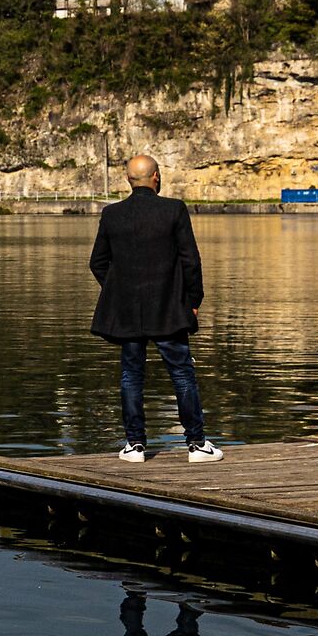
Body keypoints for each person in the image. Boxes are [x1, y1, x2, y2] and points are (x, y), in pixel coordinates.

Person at [89, 152, 221, 460]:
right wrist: (193, 300)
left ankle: (135, 445)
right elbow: (191, 260)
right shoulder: (174, 210)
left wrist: (119, 291)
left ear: (128, 181)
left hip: (129, 311)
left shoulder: (112, 214)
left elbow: (98, 263)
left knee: (131, 375)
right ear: (157, 177)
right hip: (169, 308)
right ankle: (197, 444)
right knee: (182, 374)